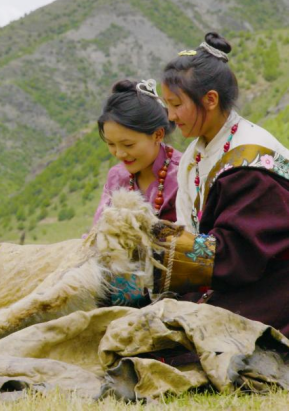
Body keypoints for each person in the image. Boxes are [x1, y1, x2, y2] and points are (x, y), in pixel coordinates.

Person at [154, 32, 289, 335]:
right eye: (167, 105)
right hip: (223, 275)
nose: (171, 116)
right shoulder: (193, 157)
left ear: (211, 100)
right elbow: (189, 230)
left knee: (196, 339)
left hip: (270, 280)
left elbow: (243, 253)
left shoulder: (251, 155)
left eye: (176, 104)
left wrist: (174, 252)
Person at [93, 78, 181, 225]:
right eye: (111, 144)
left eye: (128, 145)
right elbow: (98, 229)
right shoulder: (116, 177)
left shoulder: (184, 174)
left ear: (158, 135)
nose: (119, 154)